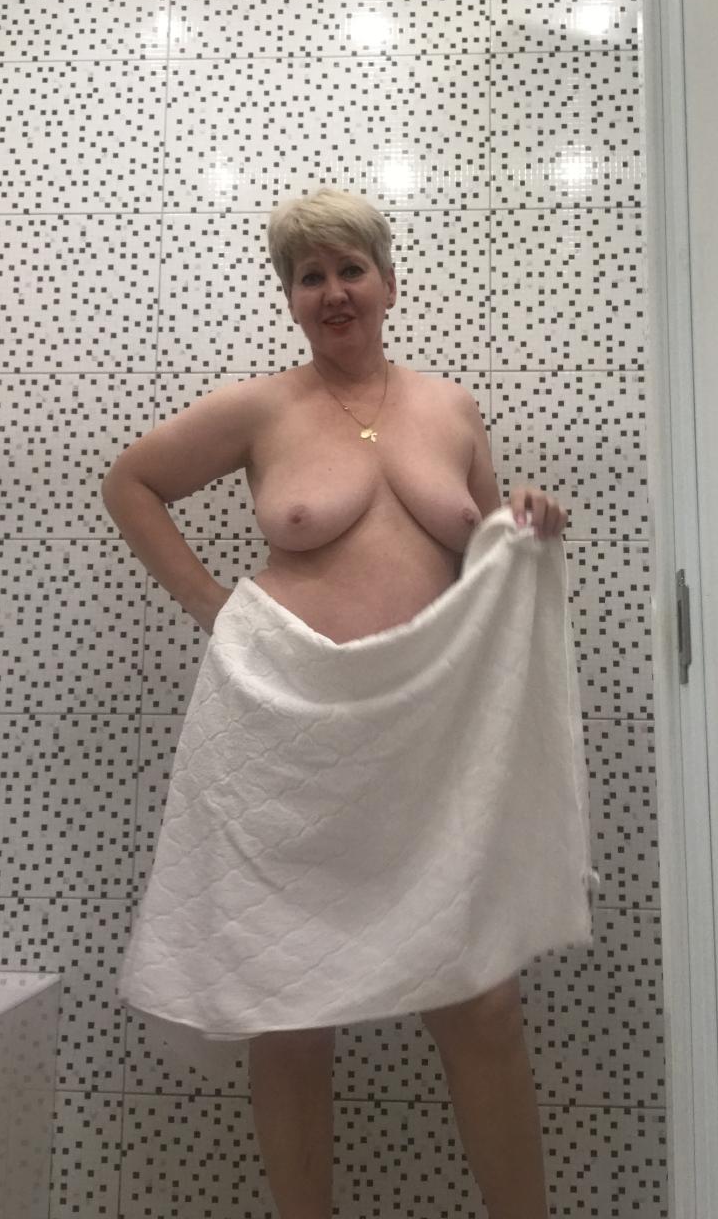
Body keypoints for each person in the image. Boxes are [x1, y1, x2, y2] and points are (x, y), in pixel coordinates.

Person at [101, 187, 570, 1219]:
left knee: (481, 1002)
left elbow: (481, 558)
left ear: (388, 282)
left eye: (349, 269)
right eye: (307, 276)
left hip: (426, 739)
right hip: (283, 730)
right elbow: (130, 482)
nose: (331, 291)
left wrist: (519, 524)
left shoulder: (450, 408)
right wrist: (215, 609)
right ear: (290, 299)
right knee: (287, 1008)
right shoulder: (261, 409)